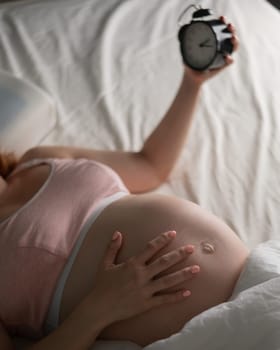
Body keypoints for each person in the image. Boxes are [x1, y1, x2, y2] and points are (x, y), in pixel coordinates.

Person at [0, 16, 249, 350]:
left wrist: (192, 83)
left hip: (254, 276)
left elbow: (150, 166)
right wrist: (99, 309)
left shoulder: (39, 159)